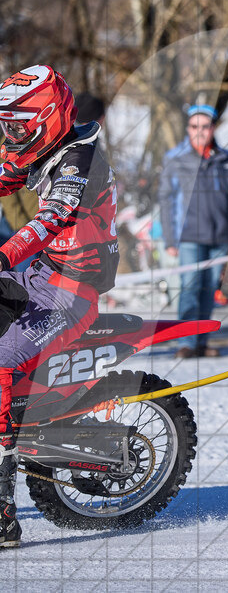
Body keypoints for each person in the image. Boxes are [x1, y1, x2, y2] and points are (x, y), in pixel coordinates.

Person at [0, 65, 121, 548]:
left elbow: (53, 217)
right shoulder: (41, 146)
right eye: (6, 127)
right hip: (40, 273)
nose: (10, 136)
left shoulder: (80, 160)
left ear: (46, 118)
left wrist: (4, 254)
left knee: (1, 361)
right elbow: (4, 175)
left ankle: (3, 513)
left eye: (16, 127)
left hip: (72, 291)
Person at [159, 104, 228, 358]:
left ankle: (201, 341)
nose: (199, 131)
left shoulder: (226, 159)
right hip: (188, 236)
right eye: (194, 126)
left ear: (213, 128)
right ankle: (185, 343)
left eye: (205, 126)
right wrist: (170, 238)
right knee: (189, 288)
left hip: (220, 236)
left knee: (209, 290)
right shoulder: (175, 158)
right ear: (188, 129)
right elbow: (166, 201)